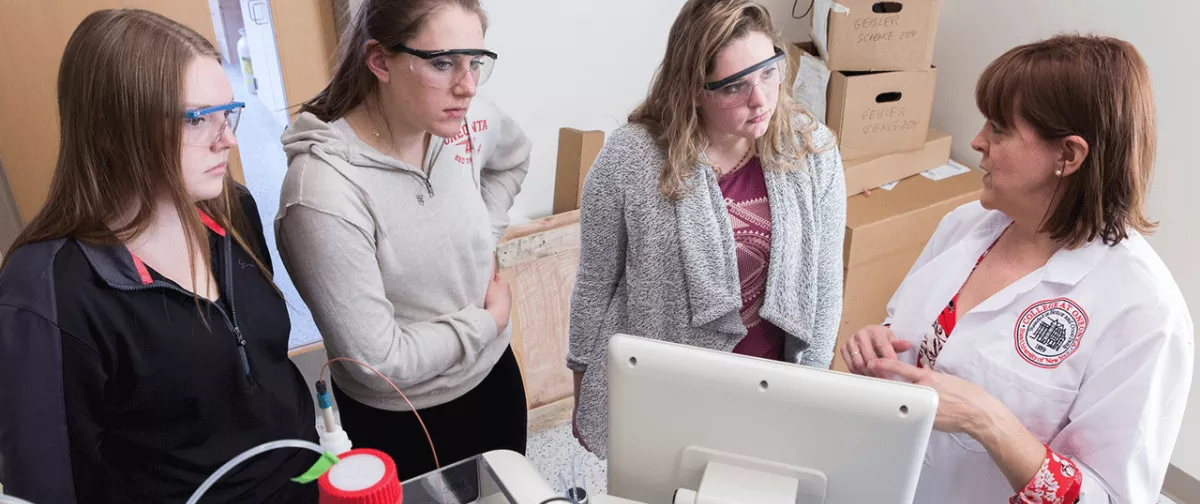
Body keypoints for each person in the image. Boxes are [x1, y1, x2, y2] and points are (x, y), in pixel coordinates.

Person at [841, 35, 1193, 503]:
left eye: (1000, 129)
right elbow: (922, 338)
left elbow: (1108, 497)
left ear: (1068, 156)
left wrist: (986, 419)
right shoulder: (968, 225)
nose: (977, 141)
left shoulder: (1144, 312)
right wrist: (881, 344)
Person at [0, 9, 319, 503]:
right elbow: (50, 487)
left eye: (226, 112)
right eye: (198, 118)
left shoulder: (232, 208)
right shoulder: (48, 292)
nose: (228, 139)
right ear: (114, 131)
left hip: (305, 481)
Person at [568, 0, 846, 456]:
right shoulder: (630, 158)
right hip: (666, 389)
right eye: (735, 86)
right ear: (694, 89)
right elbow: (597, 282)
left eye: (768, 72)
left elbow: (824, 284)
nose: (760, 99)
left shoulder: (812, 150)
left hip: (771, 386)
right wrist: (584, 387)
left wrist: (808, 394)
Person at [276, 0, 532, 480]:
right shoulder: (323, 193)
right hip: (406, 419)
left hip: (493, 380)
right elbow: (378, 362)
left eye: (475, 61)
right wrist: (486, 321)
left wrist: (484, 230)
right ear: (379, 61)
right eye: (442, 63)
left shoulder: (464, 122)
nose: (468, 85)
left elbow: (514, 157)